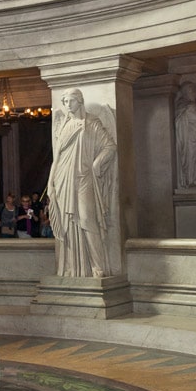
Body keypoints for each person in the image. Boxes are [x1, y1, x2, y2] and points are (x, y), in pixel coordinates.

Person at [48, 88, 117, 277]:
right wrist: (50, 185)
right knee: (67, 224)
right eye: (64, 102)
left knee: (87, 219)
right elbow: (57, 158)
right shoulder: (64, 126)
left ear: (80, 101)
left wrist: (97, 162)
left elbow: (110, 146)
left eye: (70, 101)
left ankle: (97, 265)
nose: (67, 105)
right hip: (63, 177)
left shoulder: (92, 124)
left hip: (84, 176)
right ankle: (72, 267)